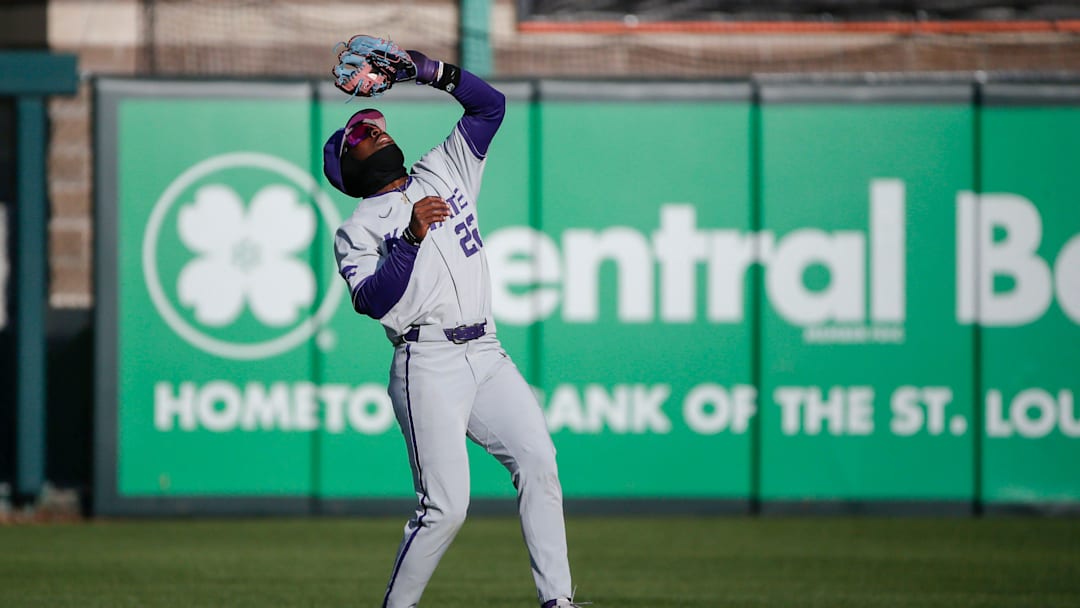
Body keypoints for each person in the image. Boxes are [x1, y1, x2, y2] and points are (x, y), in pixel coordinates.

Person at [323, 48, 582, 608]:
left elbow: (490, 108)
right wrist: (411, 238)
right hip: (427, 363)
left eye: (377, 125)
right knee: (445, 508)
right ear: (351, 165)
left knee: (539, 461)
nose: (379, 132)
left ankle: (556, 602)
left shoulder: (443, 168)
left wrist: (426, 70)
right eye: (366, 134)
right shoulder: (357, 228)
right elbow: (371, 300)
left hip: (486, 351)